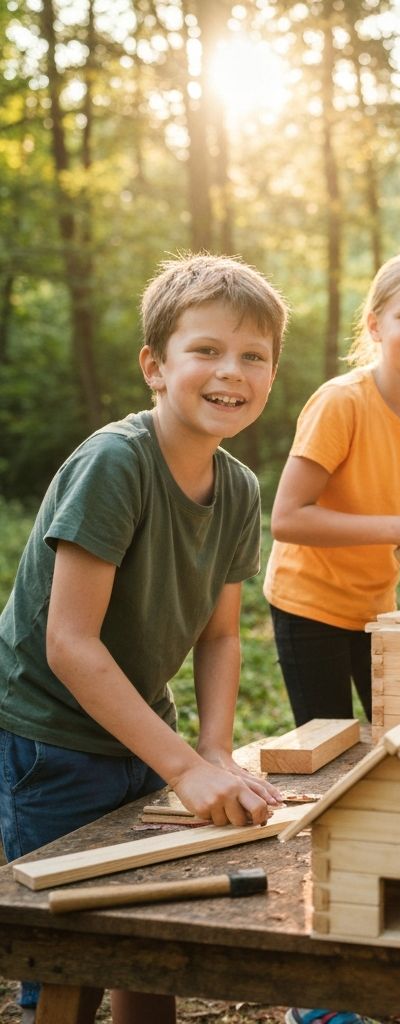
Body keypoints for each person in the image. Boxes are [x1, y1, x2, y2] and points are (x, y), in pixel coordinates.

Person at [0, 253, 289, 1024]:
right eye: (206, 350)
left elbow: (221, 635)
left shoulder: (240, 489)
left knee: (147, 945)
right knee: (71, 966)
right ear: (154, 367)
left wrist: (217, 751)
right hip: (54, 741)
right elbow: (69, 644)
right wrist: (185, 769)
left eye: (253, 357)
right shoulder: (114, 464)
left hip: (141, 728)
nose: (231, 371)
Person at [264, 248, 400, 729]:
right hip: (309, 604)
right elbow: (287, 519)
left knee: (397, 737)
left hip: (377, 612)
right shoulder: (340, 403)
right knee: (331, 747)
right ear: (375, 325)